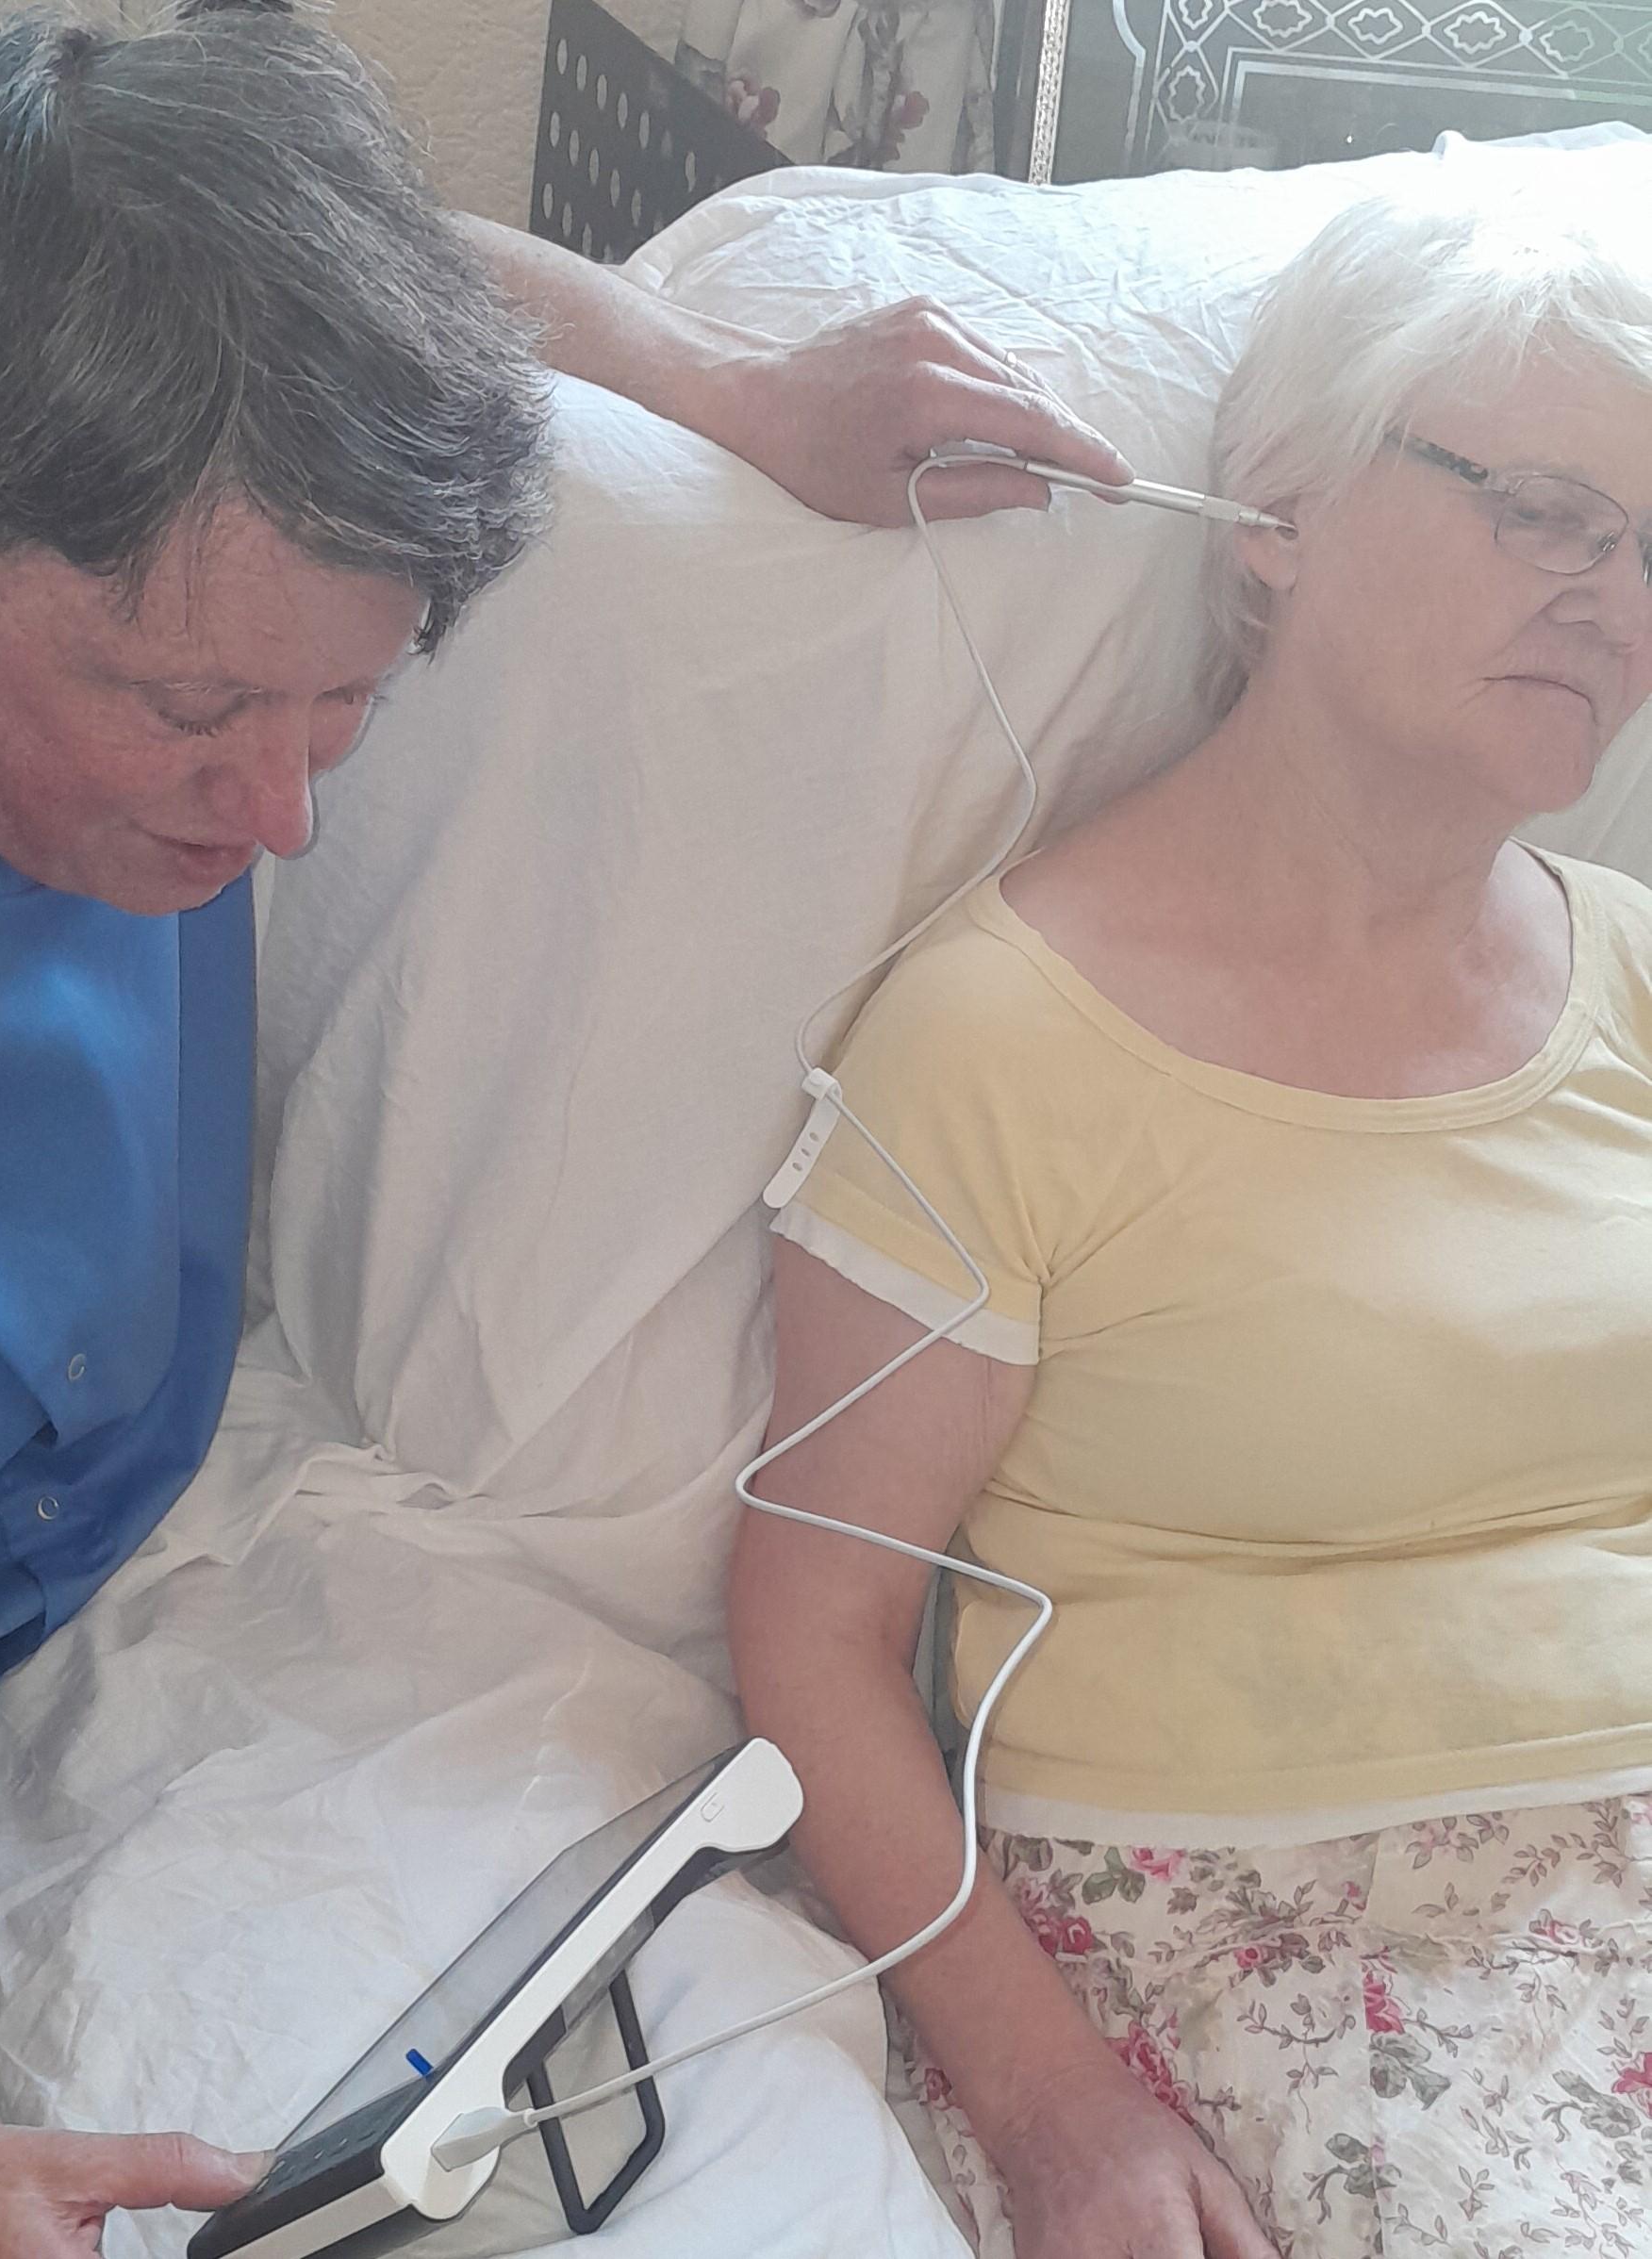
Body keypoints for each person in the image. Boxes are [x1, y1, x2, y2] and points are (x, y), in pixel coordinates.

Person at [0, 2, 1132, 2251]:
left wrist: (727, 383)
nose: (277, 810)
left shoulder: (112, 413)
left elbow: (414, 273)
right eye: (192, 706)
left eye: (340, 704)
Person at [734, 187, 1652, 2259]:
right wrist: (1053, 2107)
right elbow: (812, 1633)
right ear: (1276, 514)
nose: (1614, 599)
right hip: (1294, 1939)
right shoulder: (1003, 1040)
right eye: (1543, 512)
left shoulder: (1635, 977)